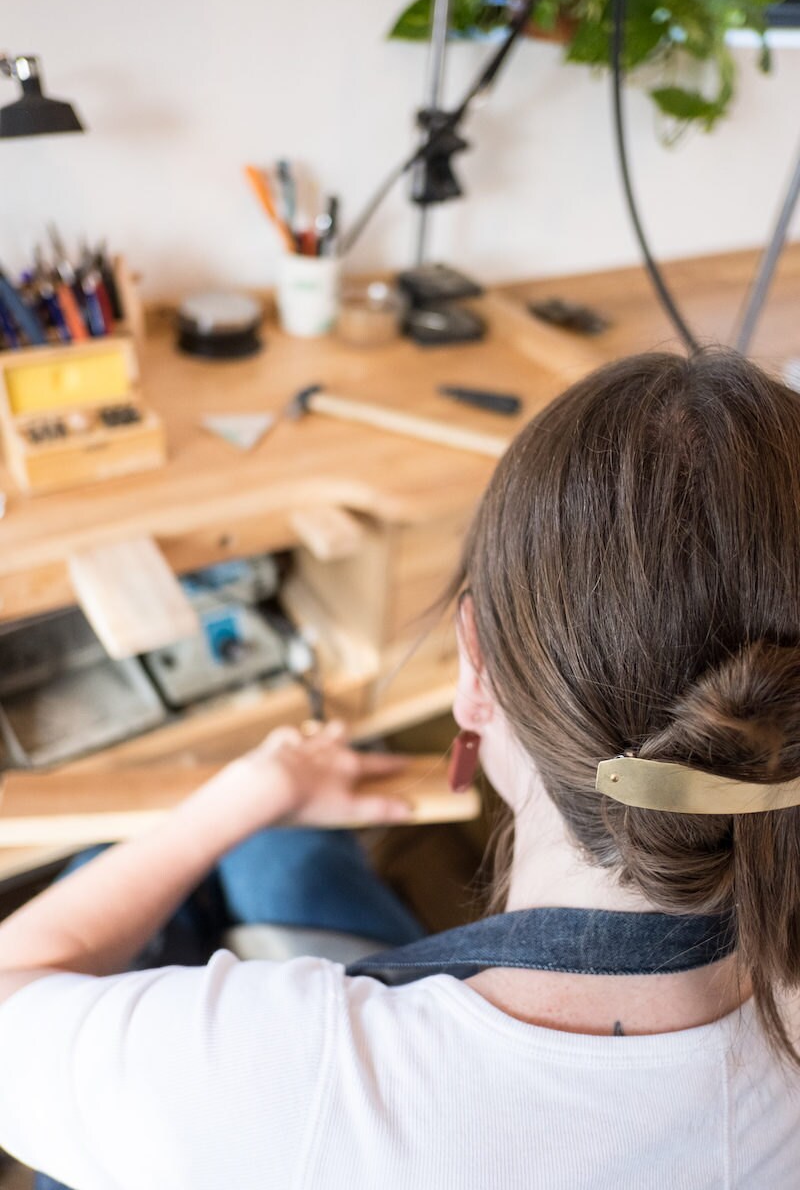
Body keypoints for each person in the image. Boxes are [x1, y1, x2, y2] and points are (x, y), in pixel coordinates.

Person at [2, 347, 800, 1189]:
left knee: (183, 863)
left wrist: (244, 793)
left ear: (474, 666)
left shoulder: (297, 1085)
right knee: (285, 856)